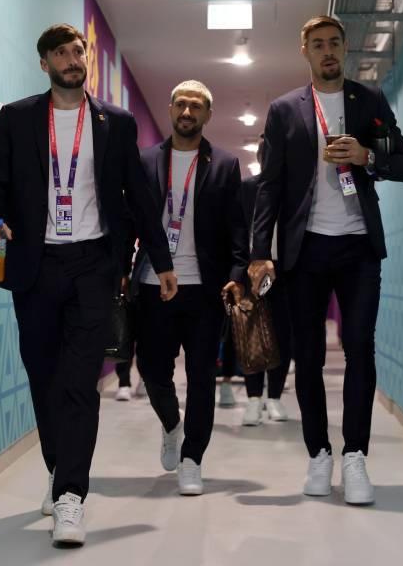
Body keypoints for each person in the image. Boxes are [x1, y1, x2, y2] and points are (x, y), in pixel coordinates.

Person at [0, 23, 177, 545]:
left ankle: (71, 495)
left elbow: (139, 197)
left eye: (78, 51)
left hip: (93, 264)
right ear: (44, 64)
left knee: (80, 382)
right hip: (35, 264)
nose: (73, 59)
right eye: (61, 53)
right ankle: (56, 466)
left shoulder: (116, 123)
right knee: (43, 376)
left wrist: (161, 260)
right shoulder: (17, 117)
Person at [248, 15, 403, 505]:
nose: (327, 51)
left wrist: (366, 157)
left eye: (335, 43)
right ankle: (319, 453)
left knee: (360, 345)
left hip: (358, 246)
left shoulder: (370, 101)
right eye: (318, 44)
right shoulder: (285, 110)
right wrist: (259, 254)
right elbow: (269, 186)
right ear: (305, 51)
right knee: (309, 355)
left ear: (344, 49)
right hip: (305, 249)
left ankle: (355, 455)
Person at [129, 80, 248, 496]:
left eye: (196, 106)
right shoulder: (145, 160)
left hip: (204, 288)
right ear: (170, 108)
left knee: (201, 376)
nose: (187, 112)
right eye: (181, 104)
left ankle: (193, 458)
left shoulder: (225, 164)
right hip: (153, 284)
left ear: (207, 115)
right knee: (151, 369)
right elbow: (131, 219)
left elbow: (237, 227)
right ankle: (171, 424)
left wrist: (237, 274)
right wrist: (119, 270)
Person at [238, 135, 292, 426]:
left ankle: (275, 397)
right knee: (251, 333)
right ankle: (253, 398)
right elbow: (238, 230)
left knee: (283, 334)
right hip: (253, 269)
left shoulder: (293, 189)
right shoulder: (247, 187)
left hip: (286, 270)